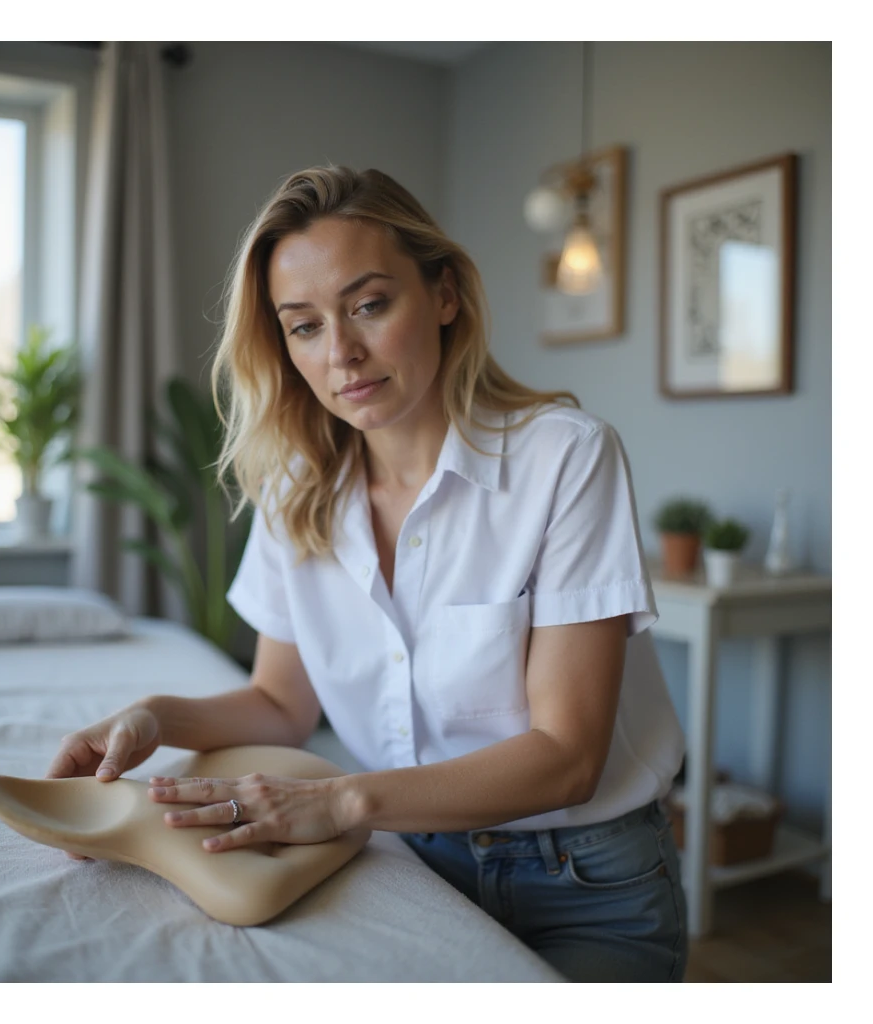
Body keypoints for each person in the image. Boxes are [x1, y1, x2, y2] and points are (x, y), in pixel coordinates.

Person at [46, 165, 689, 982]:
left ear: (444, 294)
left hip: (586, 881)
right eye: (304, 326)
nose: (341, 352)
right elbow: (280, 705)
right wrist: (149, 718)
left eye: (369, 305)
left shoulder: (564, 458)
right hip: (406, 865)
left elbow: (567, 756)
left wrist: (342, 800)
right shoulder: (294, 490)